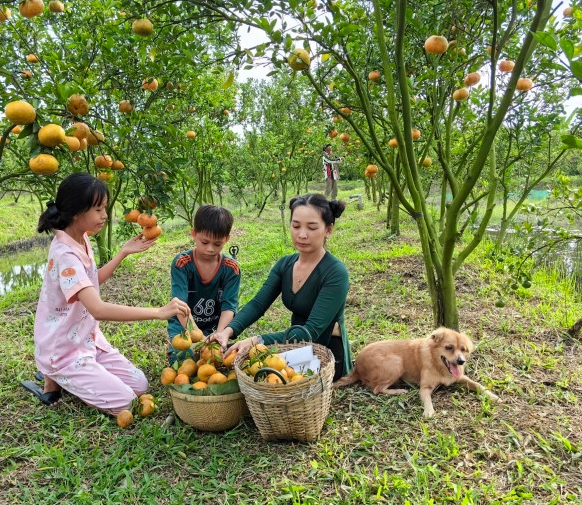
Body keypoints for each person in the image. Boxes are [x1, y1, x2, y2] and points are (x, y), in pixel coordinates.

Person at [21, 172, 190, 415]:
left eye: (104, 208)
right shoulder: (65, 254)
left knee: (140, 386)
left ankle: (65, 378)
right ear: (77, 212)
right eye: (98, 209)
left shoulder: (80, 238)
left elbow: (90, 281)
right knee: (127, 403)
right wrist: (159, 312)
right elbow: (97, 308)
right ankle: (56, 375)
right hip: (64, 349)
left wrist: (123, 252)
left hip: (86, 339)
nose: (105, 215)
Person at [210, 194, 353, 380]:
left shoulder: (335, 273)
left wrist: (257, 341)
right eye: (296, 226)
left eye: (311, 227)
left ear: (328, 230)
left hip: (325, 353)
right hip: (292, 346)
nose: (302, 234)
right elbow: (258, 304)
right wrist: (227, 332)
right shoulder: (285, 265)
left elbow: (311, 332)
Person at [167, 204, 240, 363]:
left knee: (227, 358)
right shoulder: (182, 264)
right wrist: (198, 336)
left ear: (227, 239)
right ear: (194, 233)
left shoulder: (231, 269)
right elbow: (179, 305)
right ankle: (173, 349)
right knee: (182, 358)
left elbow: (229, 306)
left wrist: (219, 337)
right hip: (184, 326)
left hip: (214, 326)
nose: (210, 249)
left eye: (217, 244)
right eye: (204, 242)